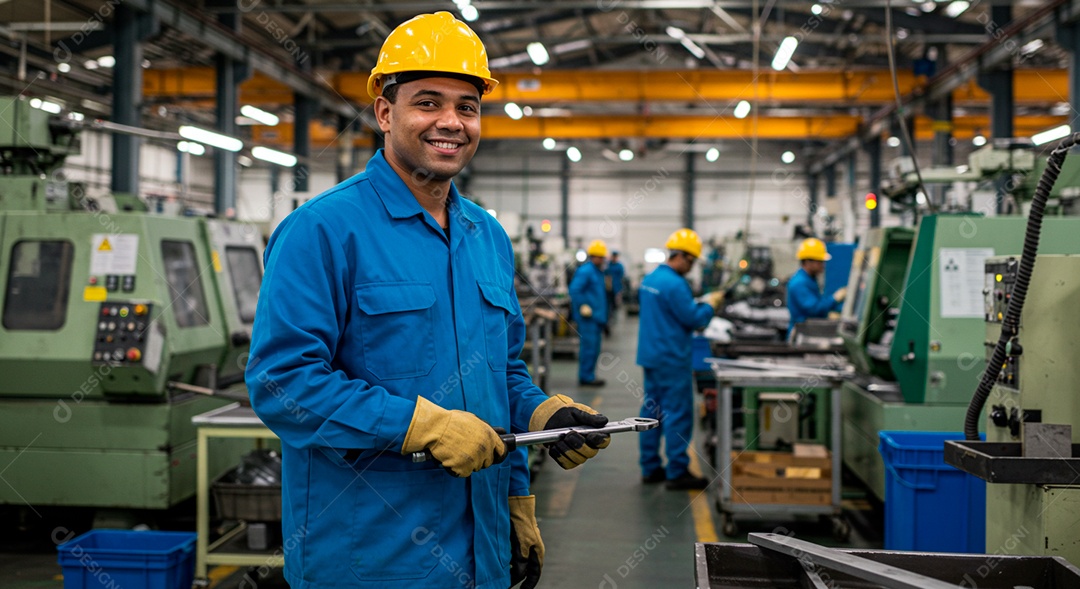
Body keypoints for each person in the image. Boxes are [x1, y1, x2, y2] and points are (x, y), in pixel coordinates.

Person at [246, 13, 610, 589]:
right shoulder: (322, 230)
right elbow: (282, 383)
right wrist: (419, 425)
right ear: (385, 113)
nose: (451, 122)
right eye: (429, 102)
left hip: (481, 548)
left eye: (467, 106)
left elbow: (501, 372)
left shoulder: (485, 236)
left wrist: (536, 427)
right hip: (372, 559)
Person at [636, 229, 724, 490]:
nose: (691, 267)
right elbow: (694, 320)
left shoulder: (651, 279)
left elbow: (671, 312)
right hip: (672, 359)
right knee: (677, 414)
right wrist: (710, 306)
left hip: (652, 356)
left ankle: (650, 468)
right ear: (683, 257)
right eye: (692, 261)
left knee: (652, 412)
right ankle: (677, 471)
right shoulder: (676, 284)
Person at [787, 237, 846, 336]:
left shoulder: (809, 280)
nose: (823, 266)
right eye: (820, 262)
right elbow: (814, 309)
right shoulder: (800, 283)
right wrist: (835, 298)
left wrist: (829, 314)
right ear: (808, 262)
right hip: (802, 334)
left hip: (806, 331)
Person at [569, 240, 608, 386]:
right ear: (594, 256)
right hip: (588, 318)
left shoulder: (597, 272)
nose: (603, 260)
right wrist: (583, 306)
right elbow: (574, 289)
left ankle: (589, 375)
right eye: (601, 257)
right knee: (589, 349)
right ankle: (586, 377)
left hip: (596, 317)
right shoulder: (586, 271)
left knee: (594, 349)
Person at [604, 251, 626, 318]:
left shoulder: (619, 266)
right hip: (608, 287)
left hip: (616, 287)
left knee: (615, 303)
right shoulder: (608, 265)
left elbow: (622, 277)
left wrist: (620, 289)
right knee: (608, 301)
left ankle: (613, 314)